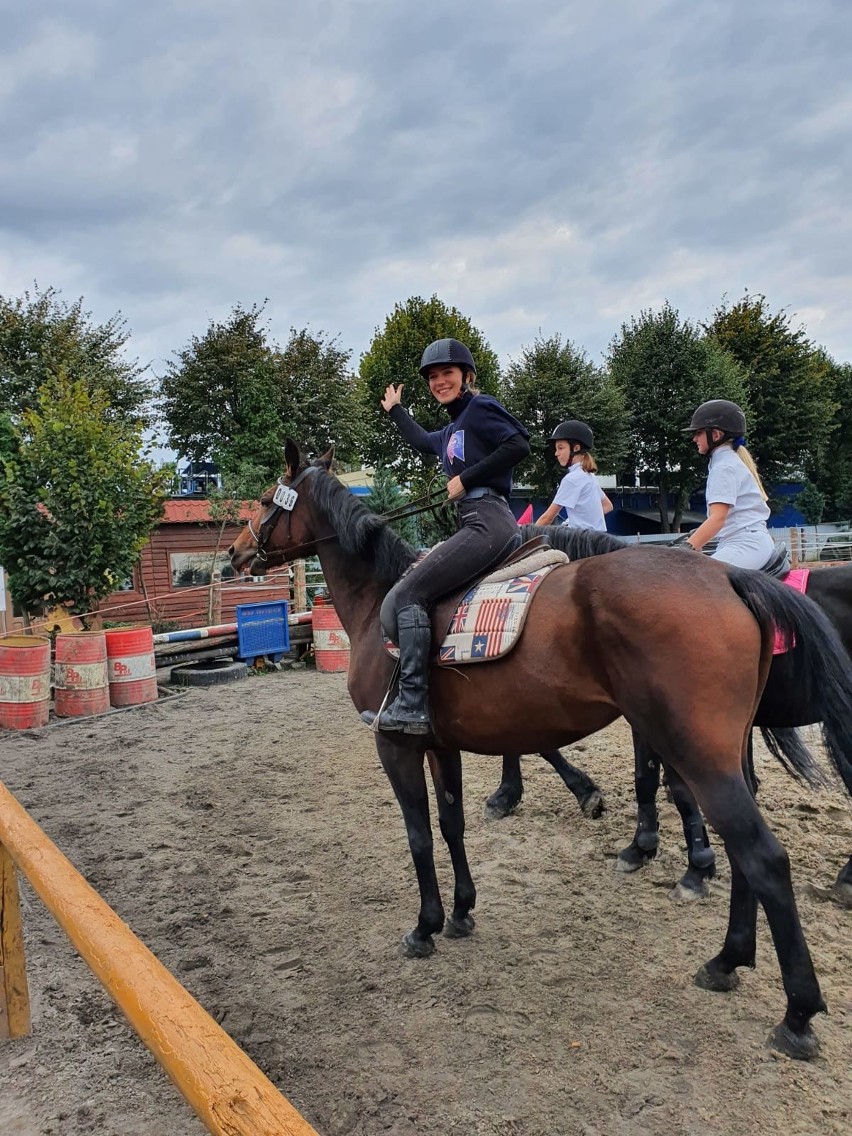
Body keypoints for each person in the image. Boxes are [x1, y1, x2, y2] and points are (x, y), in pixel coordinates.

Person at [361, 337, 530, 733]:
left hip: (488, 519)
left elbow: (520, 443)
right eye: (433, 377)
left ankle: (412, 705)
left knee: (406, 594)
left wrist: (465, 479)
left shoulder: (480, 408)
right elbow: (423, 442)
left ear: (467, 376)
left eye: (447, 373)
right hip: (474, 519)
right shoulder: (453, 427)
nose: (440, 381)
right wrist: (396, 411)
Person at [683, 399, 775, 568]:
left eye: (698, 432)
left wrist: (686, 547)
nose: (694, 438)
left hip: (746, 544)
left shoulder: (724, 467)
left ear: (716, 435)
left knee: (703, 580)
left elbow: (718, 518)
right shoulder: (724, 462)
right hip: (739, 542)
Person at [535, 420, 608, 531]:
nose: (556, 453)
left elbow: (547, 518)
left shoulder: (572, 479)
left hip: (583, 543)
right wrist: (573, 521)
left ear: (576, 448)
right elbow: (607, 505)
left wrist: (526, 537)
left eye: (560, 448)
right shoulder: (589, 475)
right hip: (598, 540)